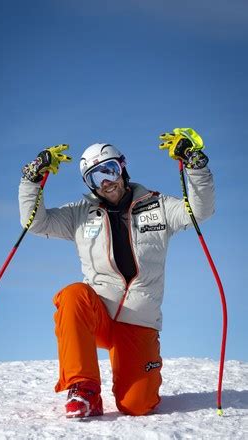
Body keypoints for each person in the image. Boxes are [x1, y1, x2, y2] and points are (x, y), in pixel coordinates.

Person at [19, 128, 214, 418]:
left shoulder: (158, 205)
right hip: (99, 314)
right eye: (96, 177)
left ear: (122, 167)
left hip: (138, 320)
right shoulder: (79, 213)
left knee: (136, 405)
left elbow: (200, 211)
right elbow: (35, 222)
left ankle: (134, 369)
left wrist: (195, 166)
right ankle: (84, 391)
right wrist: (31, 178)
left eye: (110, 170)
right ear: (90, 184)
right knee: (73, 295)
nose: (106, 181)